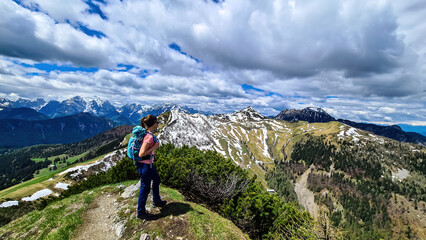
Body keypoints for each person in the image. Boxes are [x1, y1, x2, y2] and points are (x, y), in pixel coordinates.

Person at [136, 114, 167, 219]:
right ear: (153, 124)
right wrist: (154, 146)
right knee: (145, 188)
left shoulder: (147, 133)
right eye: (157, 122)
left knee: (157, 179)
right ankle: (141, 213)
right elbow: (141, 153)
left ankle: (156, 201)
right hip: (145, 165)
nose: (158, 124)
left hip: (148, 164)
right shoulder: (149, 137)